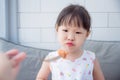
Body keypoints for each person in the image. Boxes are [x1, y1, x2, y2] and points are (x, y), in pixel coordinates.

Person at [36, 4, 105, 80]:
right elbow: (41, 77)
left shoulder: (91, 58)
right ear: (57, 29)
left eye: (78, 32)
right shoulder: (51, 58)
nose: (70, 37)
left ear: (86, 34)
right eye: (65, 30)